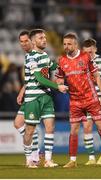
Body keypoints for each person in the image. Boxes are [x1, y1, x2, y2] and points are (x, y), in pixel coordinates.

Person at [55, 32, 101, 168]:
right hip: (75, 100)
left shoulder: (85, 57)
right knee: (73, 130)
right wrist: (60, 84)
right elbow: (59, 77)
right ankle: (73, 160)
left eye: (69, 44)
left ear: (75, 44)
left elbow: (96, 76)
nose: (66, 46)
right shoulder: (61, 60)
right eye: (64, 44)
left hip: (91, 98)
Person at [23, 28, 68, 168]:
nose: (44, 39)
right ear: (34, 41)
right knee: (30, 130)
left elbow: (52, 66)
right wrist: (57, 86)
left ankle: (48, 160)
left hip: (46, 97)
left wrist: (64, 62)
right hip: (33, 98)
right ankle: (29, 158)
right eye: (41, 38)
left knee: (50, 127)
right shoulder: (31, 56)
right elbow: (39, 79)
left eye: (45, 37)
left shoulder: (45, 55)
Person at [14, 30, 40, 165]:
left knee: (28, 129)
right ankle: (35, 150)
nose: (23, 44)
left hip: (35, 97)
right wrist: (21, 92)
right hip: (28, 94)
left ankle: (30, 158)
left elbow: (38, 77)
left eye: (26, 41)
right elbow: (29, 79)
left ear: (32, 41)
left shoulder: (35, 55)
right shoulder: (27, 56)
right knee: (18, 124)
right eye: (21, 42)